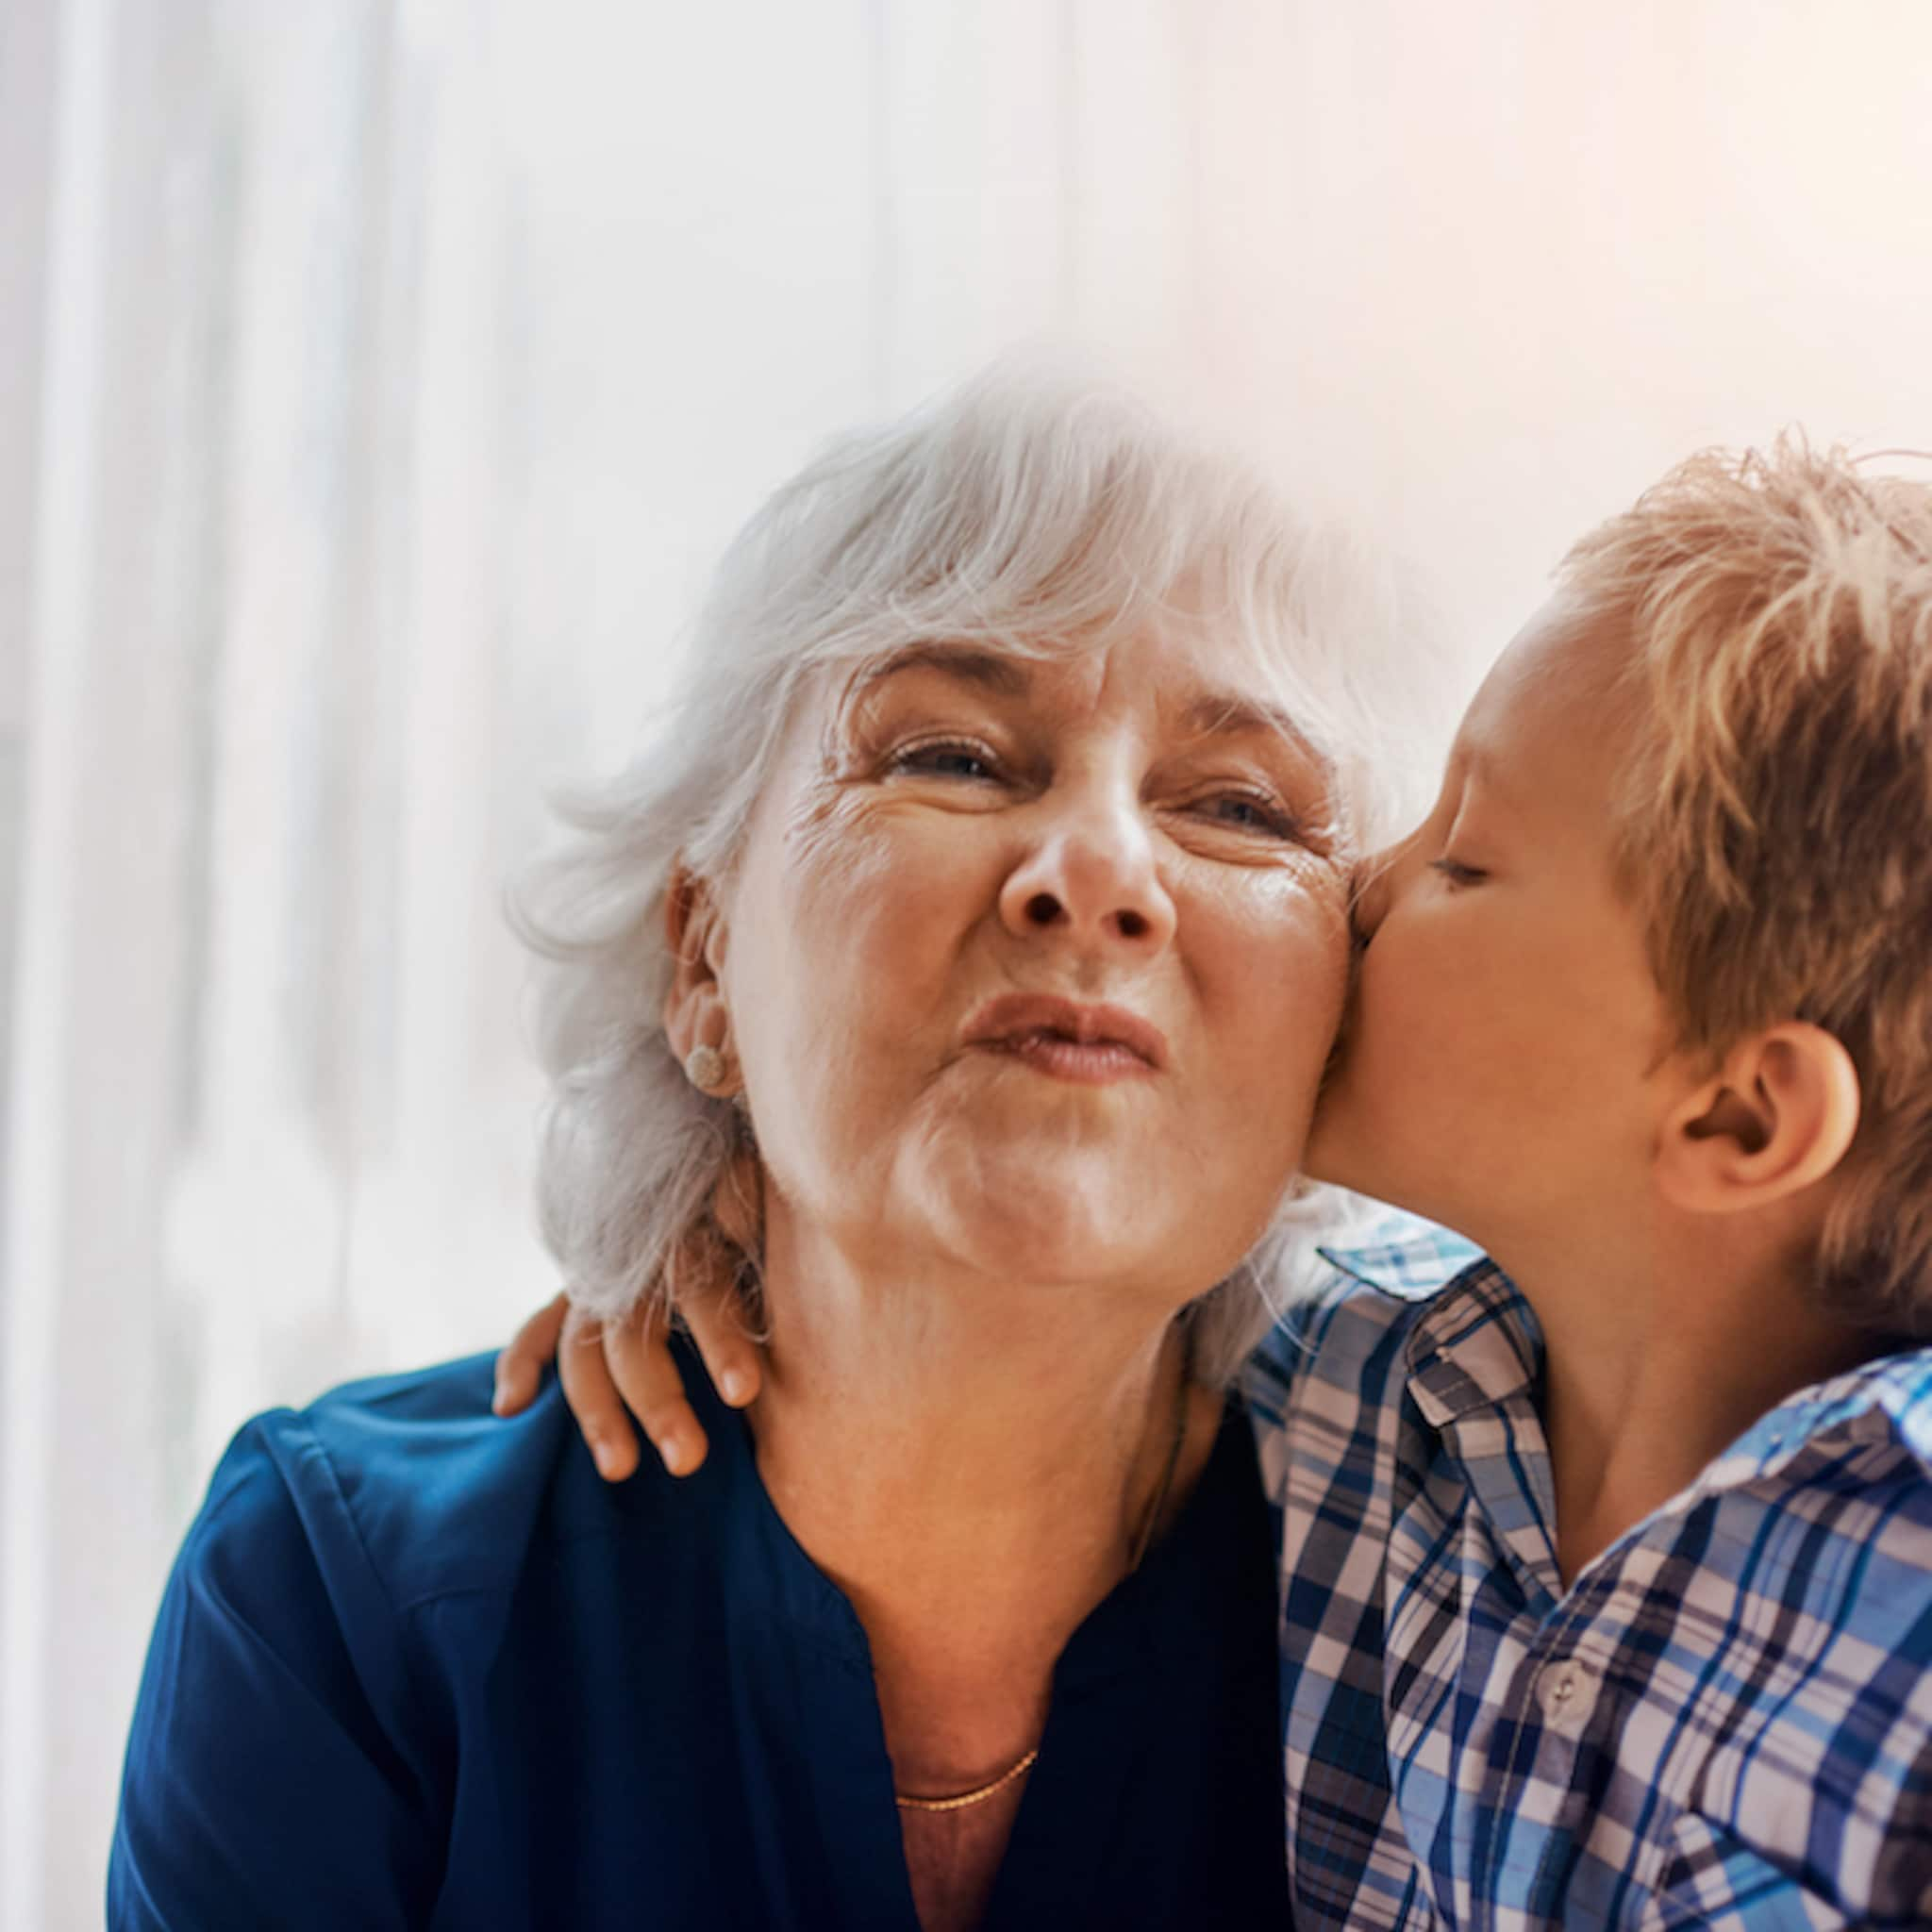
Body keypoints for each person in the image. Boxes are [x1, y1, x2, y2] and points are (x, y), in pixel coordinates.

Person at [506, 440, 1932, 1925]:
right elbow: (1019, 1312)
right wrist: (701, 1225)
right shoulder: (1362, 1400)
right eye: (953, 757)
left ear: (1741, 1119)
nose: (1361, 885)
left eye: (1466, 859)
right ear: (702, 946)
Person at [109, 369, 1433, 1930]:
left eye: (1237, 806)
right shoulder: (341, 1597)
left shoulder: (1453, 1613)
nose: (1097, 871)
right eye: (951, 755)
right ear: (701, 959)